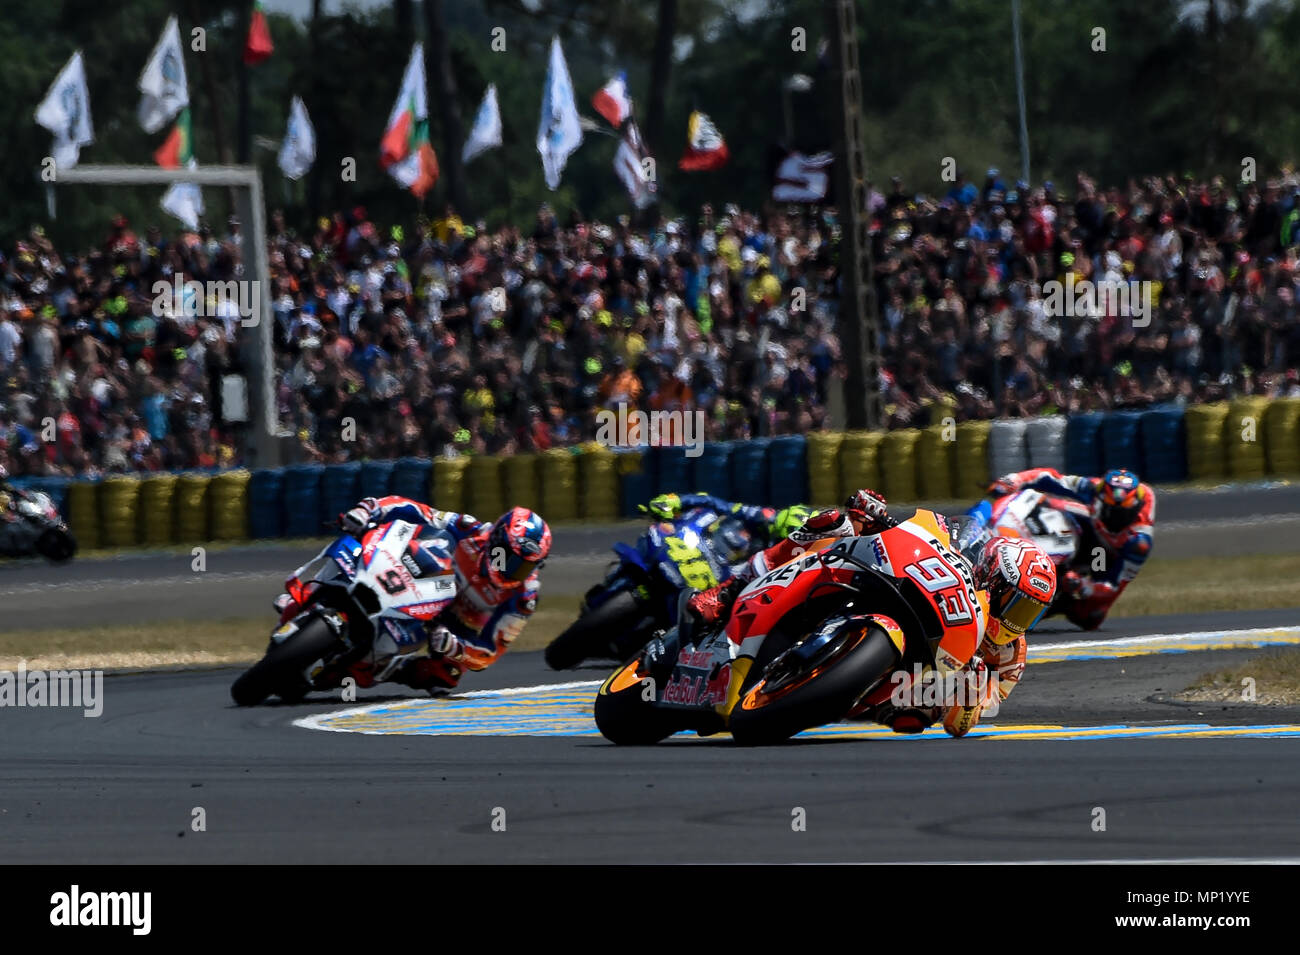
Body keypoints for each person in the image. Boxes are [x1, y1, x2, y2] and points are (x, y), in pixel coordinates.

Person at [686, 489, 1057, 737]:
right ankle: (730, 589)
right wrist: (879, 516)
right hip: (901, 590)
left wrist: (972, 687)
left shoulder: (1010, 655)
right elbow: (921, 531)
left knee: (915, 717)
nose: (1017, 621)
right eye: (1016, 604)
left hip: (902, 689)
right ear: (991, 577)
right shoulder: (962, 541)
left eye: (1030, 612)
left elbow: (961, 724)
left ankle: (830, 687)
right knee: (833, 524)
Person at [277, 495, 551, 692]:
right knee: (356, 540)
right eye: (511, 559)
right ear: (496, 539)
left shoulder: (523, 598)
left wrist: (456, 647)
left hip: (449, 624)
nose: (513, 570)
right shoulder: (469, 528)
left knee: (447, 675)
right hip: (414, 577)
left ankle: (379, 669)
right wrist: (369, 510)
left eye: (524, 566)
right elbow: (415, 510)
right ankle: (312, 589)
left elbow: (490, 652)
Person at [984, 467, 1153, 629]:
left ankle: (1042, 603)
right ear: (1100, 499)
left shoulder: (1139, 543)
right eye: (1111, 511)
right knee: (1048, 503)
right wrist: (1012, 480)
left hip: (1103, 554)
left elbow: (1113, 586)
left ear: (1135, 509)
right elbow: (1048, 477)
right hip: (1091, 527)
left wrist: (1082, 585)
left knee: (1089, 615)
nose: (1117, 519)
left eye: (1123, 514)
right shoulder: (1091, 488)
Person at [639, 492, 816, 552]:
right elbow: (716, 503)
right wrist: (678, 500)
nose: (781, 545)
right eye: (782, 540)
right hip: (698, 544)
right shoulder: (760, 516)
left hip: (713, 578)